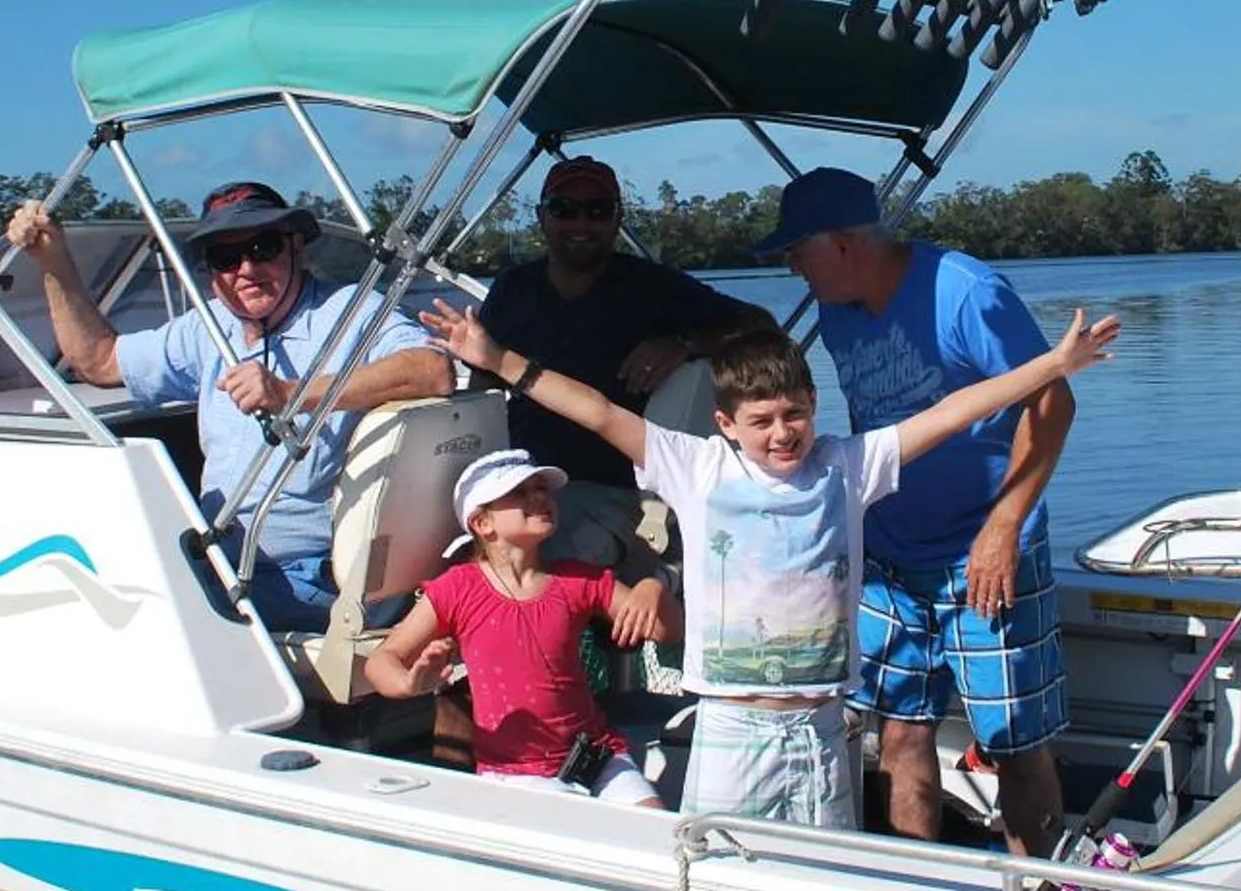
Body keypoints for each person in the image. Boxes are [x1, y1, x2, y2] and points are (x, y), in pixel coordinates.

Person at [419, 298, 1119, 829]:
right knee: (713, 873)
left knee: (822, 880)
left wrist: (1053, 365)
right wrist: (498, 358)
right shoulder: (694, 467)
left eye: (793, 415)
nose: (782, 434)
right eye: (760, 422)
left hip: (821, 728)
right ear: (726, 425)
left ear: (813, 405)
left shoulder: (850, 465)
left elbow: (953, 411)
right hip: (732, 727)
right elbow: (598, 411)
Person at [754, 167, 1076, 857]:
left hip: (985, 549)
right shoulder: (835, 310)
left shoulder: (966, 293)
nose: (791, 267)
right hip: (889, 557)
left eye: (796, 251)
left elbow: (1053, 401)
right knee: (898, 730)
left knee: (1014, 742)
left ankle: (1041, 890)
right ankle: (912, 884)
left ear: (841, 244)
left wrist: (1004, 526)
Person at [6, 179, 451, 632]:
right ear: (210, 270)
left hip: (310, 576)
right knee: (81, 587)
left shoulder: (351, 311)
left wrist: (291, 392)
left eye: (263, 247)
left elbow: (432, 369)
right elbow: (99, 361)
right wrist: (53, 263)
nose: (246, 269)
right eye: (225, 257)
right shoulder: (210, 327)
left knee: (134, 618)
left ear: (295, 245)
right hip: (223, 561)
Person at [476, 155, 775, 569]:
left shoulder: (651, 288)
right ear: (542, 217)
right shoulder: (512, 290)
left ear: (617, 220)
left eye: (598, 210)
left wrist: (685, 344)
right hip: (520, 478)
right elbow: (481, 386)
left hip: (614, 488)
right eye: (565, 209)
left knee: (541, 563)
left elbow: (759, 324)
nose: (581, 223)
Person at [363, 449, 680, 804]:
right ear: (482, 523)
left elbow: (668, 631)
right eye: (519, 493)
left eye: (541, 488)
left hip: (597, 756)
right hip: (515, 772)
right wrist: (407, 684)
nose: (539, 497)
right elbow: (382, 660)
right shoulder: (457, 588)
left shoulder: (578, 580)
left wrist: (654, 587)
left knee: (654, 826)